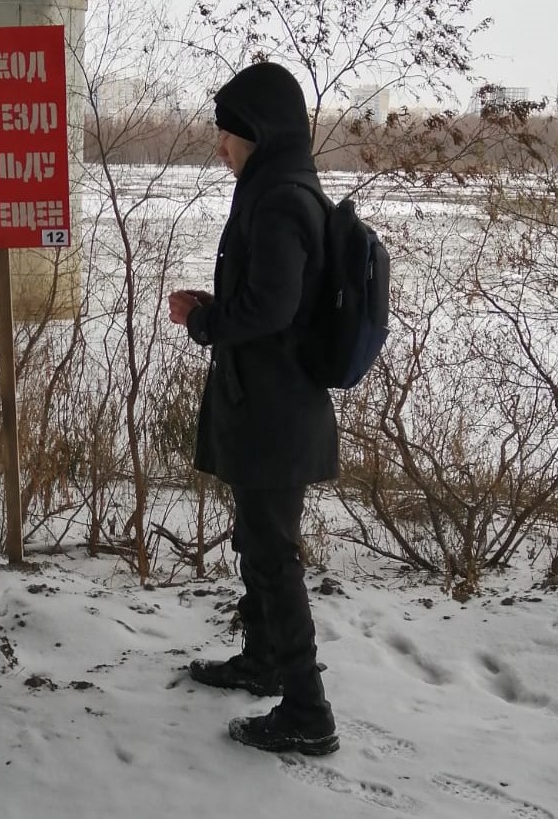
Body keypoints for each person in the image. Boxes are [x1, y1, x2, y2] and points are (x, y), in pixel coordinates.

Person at [167, 62, 340, 756]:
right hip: (269, 403)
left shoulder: (279, 200)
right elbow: (275, 301)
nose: (221, 148)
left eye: (228, 135)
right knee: (258, 543)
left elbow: (271, 308)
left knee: (273, 557)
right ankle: (263, 659)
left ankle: (308, 709)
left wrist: (205, 324)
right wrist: (214, 311)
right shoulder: (277, 189)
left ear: (259, 134)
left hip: (275, 411)